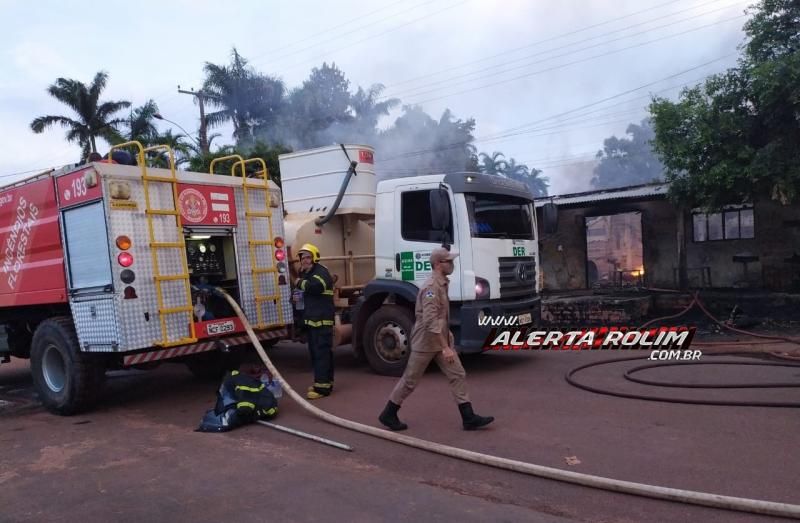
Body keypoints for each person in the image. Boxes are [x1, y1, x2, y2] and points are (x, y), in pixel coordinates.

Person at [379, 247, 494, 431]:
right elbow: (430, 321)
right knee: (410, 380)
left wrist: (446, 341)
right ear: (439, 264)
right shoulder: (431, 287)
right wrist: (445, 348)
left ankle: (468, 417)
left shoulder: (442, 283)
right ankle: (389, 413)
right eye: (449, 261)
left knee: (457, 374)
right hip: (426, 342)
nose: (452, 264)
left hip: (440, 340)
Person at [294, 243, 335, 400]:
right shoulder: (307, 274)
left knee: (321, 355)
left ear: (315, 258)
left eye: (307, 257)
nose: (304, 260)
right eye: (302, 258)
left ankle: (322, 388)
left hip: (322, 322)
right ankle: (324, 383)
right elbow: (306, 292)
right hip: (313, 322)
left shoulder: (321, 272)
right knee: (319, 354)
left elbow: (317, 287)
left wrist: (299, 282)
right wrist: (296, 296)